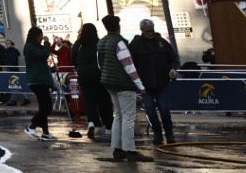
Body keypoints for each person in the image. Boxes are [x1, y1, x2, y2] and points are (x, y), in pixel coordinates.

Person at [98, 14, 150, 163]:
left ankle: (117, 149)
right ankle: (130, 150)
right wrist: (140, 85)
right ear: (118, 26)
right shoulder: (119, 42)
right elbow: (128, 65)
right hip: (124, 85)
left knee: (118, 116)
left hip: (109, 83)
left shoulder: (102, 42)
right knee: (128, 117)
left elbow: (100, 64)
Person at [129, 18, 177, 146]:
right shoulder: (135, 45)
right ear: (142, 30)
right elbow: (130, 64)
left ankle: (169, 133)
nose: (150, 33)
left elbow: (173, 57)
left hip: (162, 82)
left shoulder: (162, 42)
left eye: (152, 30)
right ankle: (157, 134)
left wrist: (173, 68)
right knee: (150, 110)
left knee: (164, 109)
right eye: (147, 31)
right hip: (145, 85)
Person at [73, 22, 112, 140]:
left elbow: (73, 58)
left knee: (90, 101)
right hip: (98, 74)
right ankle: (109, 126)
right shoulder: (98, 42)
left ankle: (91, 123)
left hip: (84, 75)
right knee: (104, 101)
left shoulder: (78, 44)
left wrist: (80, 67)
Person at [21, 27, 57, 140]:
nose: (42, 37)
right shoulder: (29, 47)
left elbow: (45, 53)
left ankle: (45, 132)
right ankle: (31, 126)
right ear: (36, 36)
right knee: (47, 107)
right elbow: (43, 54)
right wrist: (47, 43)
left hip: (42, 80)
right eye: (40, 35)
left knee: (43, 107)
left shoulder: (36, 46)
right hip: (37, 81)